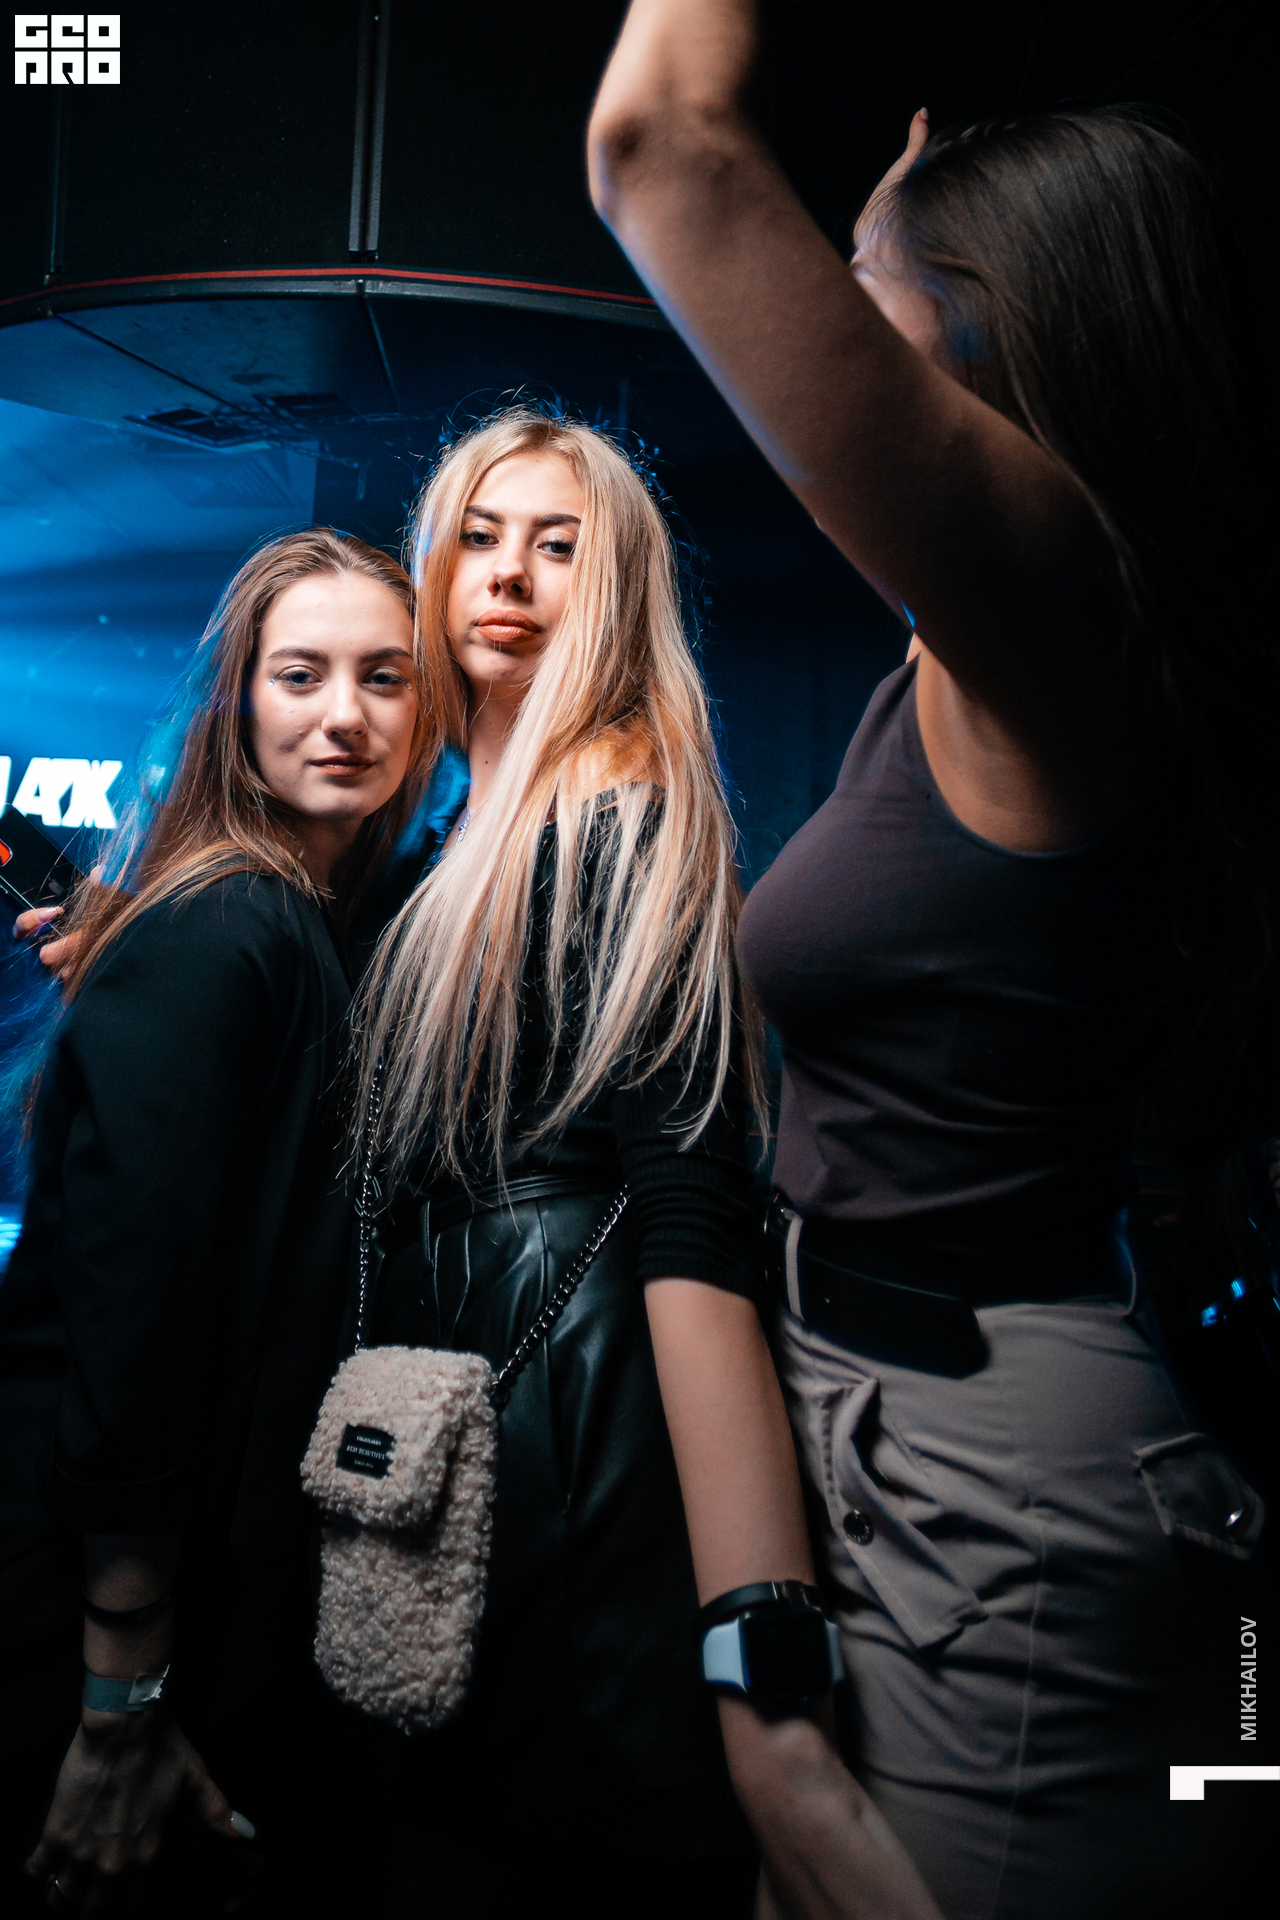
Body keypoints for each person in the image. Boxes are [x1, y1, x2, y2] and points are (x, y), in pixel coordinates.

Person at [589, 9, 1275, 1920]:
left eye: (863, 302)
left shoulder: (1061, 604)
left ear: (1000, 339)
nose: (820, 340)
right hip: (916, 1421)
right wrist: (899, 238)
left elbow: (661, 138)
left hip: (1012, 1490)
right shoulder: (1006, 643)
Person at [341, 406, 941, 1920]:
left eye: (559, 547)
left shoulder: (621, 814)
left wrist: (762, 1660)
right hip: (468, 1449)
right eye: (478, 537)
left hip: (581, 1457)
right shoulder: (452, 840)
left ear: (614, 589)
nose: (508, 576)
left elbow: (690, 1209)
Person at [0, 529, 423, 1916]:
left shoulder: (291, 921)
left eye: (384, 677)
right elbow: (135, 1341)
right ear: (236, 699)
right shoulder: (226, 928)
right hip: (88, 1616)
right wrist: (121, 1696)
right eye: (300, 675)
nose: (344, 714)